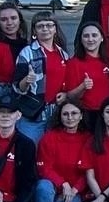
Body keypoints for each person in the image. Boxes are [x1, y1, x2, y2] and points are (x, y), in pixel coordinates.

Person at [33, 100, 90, 202]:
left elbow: (89, 170)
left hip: (75, 191)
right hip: (54, 187)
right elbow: (44, 167)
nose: (70, 118)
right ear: (60, 116)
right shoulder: (49, 138)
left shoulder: (88, 139)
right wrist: (62, 184)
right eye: (65, 114)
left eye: (74, 113)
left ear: (81, 116)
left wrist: (75, 190)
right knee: (43, 187)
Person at [13, 11, 69, 145]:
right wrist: (26, 80)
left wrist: (66, 93)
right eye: (40, 26)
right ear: (34, 31)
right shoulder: (27, 53)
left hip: (56, 115)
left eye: (49, 25)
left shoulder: (64, 54)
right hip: (33, 116)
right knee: (29, 152)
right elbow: (16, 87)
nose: (45, 29)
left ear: (55, 29)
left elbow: (67, 82)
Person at [0, 1, 27, 114]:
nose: (9, 23)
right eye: (4, 19)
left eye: (13, 18)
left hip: (24, 96)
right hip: (2, 98)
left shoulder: (26, 45)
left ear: (20, 20)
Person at [63, 22, 109, 113]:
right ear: (81, 39)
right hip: (86, 113)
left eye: (94, 35)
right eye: (86, 36)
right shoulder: (73, 63)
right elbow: (70, 96)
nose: (90, 39)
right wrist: (82, 87)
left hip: (108, 113)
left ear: (102, 38)